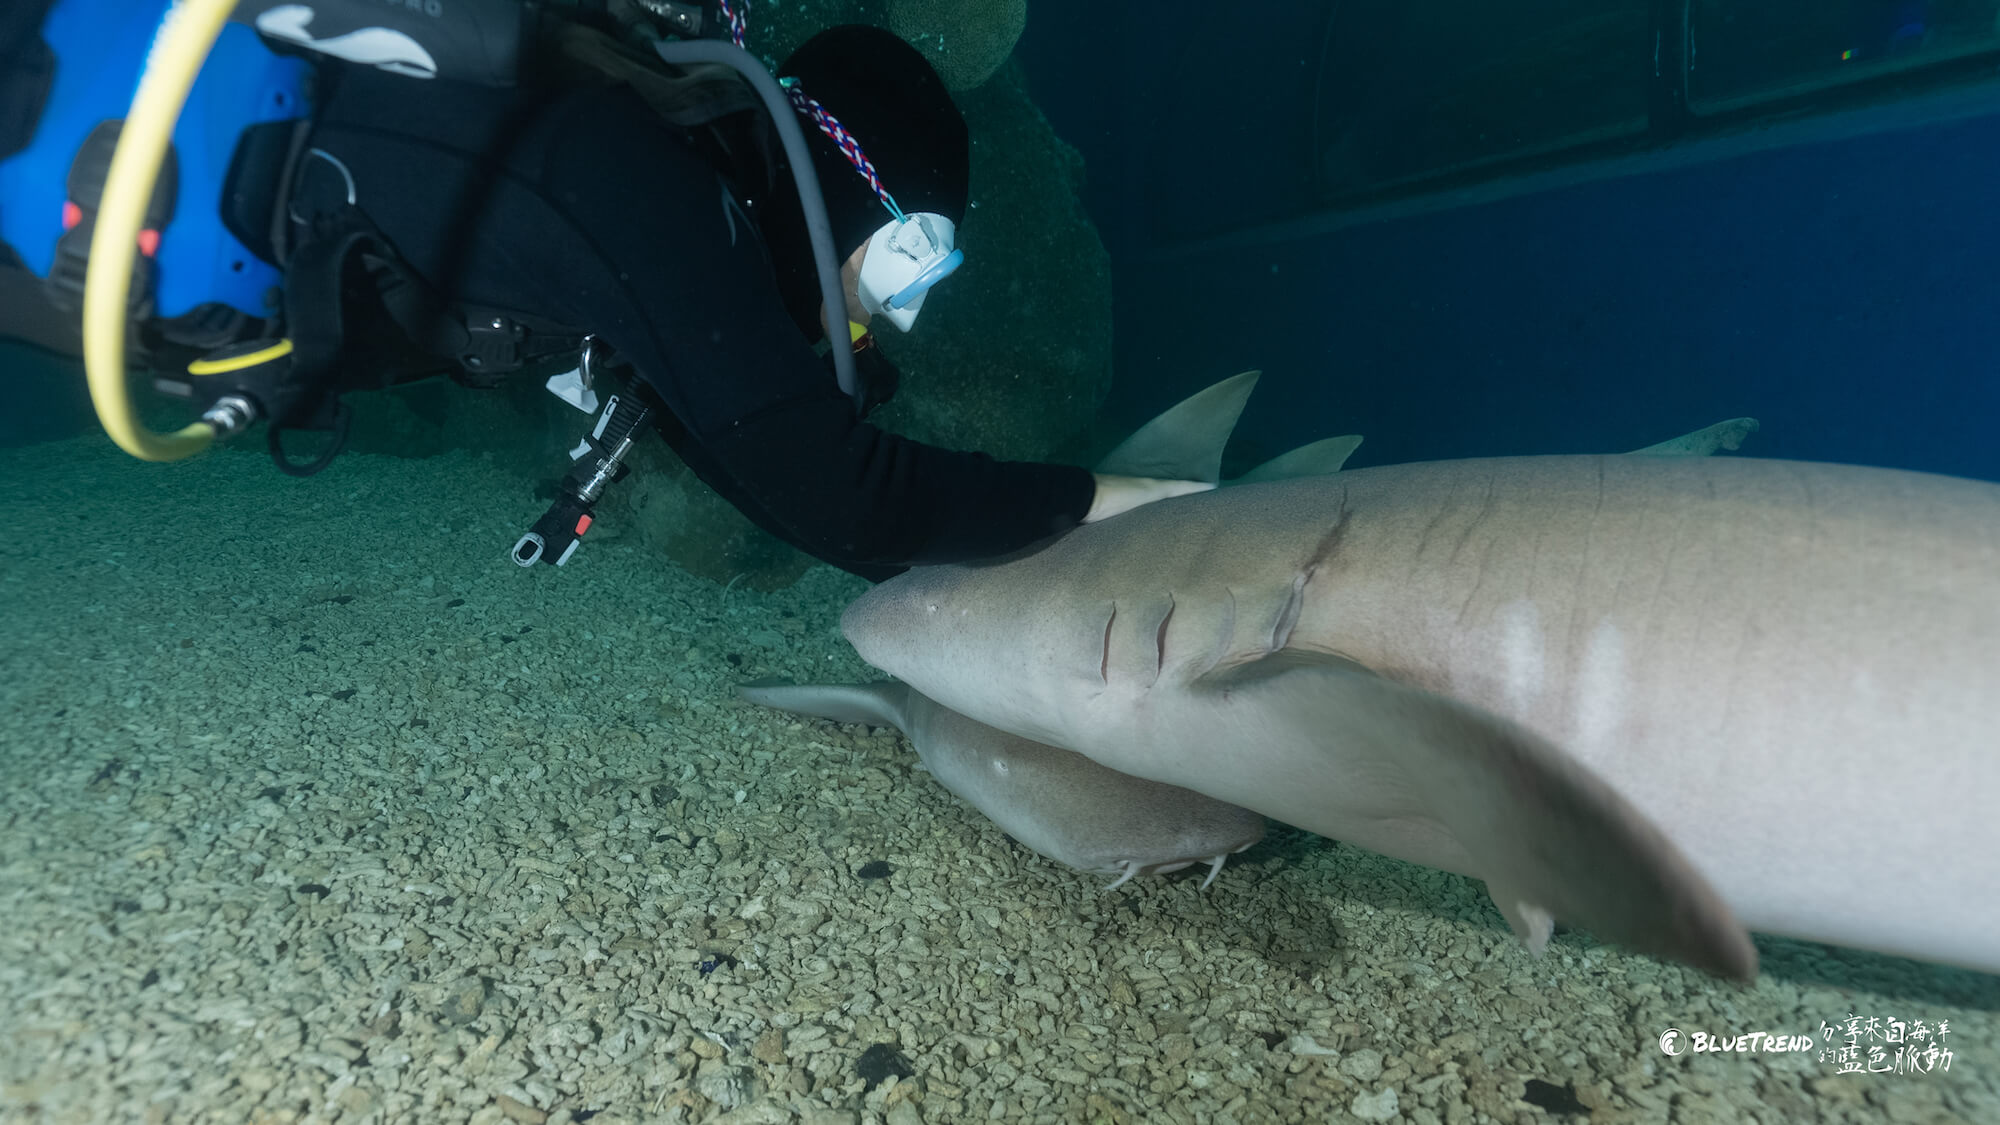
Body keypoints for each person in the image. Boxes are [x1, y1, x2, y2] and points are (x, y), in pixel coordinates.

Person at [0, 4, 1209, 581]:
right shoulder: (642, 194)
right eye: (908, 264)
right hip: (81, 238)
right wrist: (1133, 500)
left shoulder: (641, 167)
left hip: (94, 248)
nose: (882, 318)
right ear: (857, 197)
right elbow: (853, 509)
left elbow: (735, 416)